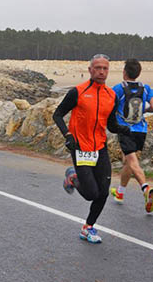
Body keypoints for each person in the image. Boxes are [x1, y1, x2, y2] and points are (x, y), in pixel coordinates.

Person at [52, 54, 131, 244]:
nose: (101, 71)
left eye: (105, 68)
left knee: (103, 192)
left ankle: (88, 227)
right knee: (90, 194)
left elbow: (110, 124)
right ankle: (73, 177)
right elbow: (58, 114)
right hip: (80, 147)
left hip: (100, 147)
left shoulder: (111, 95)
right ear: (90, 70)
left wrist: (122, 128)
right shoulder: (77, 92)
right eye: (98, 68)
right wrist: (68, 136)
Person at [110, 59, 153, 212]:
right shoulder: (146, 88)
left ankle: (146, 189)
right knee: (127, 161)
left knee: (132, 162)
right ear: (138, 73)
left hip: (125, 130)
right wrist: (144, 110)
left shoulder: (118, 88)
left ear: (124, 72)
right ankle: (120, 193)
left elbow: (109, 106)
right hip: (141, 130)